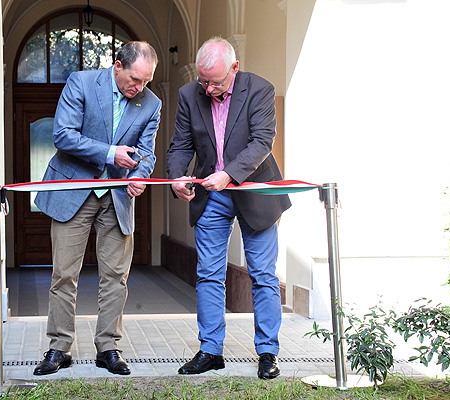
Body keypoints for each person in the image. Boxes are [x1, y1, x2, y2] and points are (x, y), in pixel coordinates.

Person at [166, 37, 291, 379]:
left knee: (263, 275)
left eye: (216, 82)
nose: (207, 89)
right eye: (203, 81)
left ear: (234, 68)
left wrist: (229, 174)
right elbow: (180, 144)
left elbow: (262, 142)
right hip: (212, 194)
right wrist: (178, 177)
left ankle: (268, 352)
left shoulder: (260, 89)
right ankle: (210, 350)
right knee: (208, 273)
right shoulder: (189, 95)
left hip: (253, 190)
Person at [33, 41, 160, 376]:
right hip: (74, 189)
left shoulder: (152, 103)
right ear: (117, 65)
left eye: (146, 82)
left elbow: (146, 152)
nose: (139, 88)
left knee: (116, 276)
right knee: (64, 274)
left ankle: (108, 347)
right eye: (135, 79)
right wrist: (110, 153)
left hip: (117, 196)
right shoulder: (82, 82)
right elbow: (63, 135)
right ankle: (59, 348)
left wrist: (139, 176)